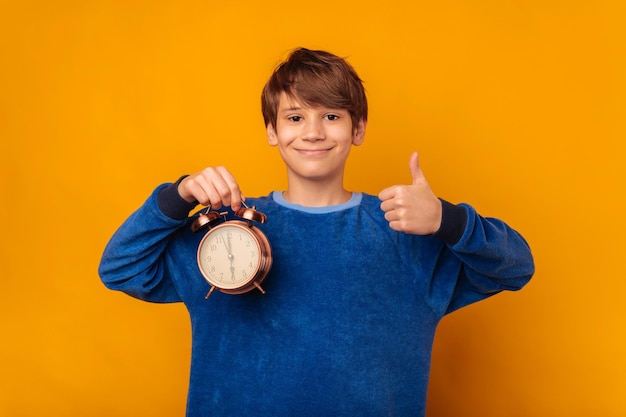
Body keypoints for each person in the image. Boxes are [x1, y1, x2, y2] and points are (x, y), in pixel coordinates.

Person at [99, 47, 534, 417]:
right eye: (294, 117)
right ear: (272, 131)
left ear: (357, 129)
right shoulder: (225, 232)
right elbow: (119, 269)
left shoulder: (405, 230)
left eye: (331, 115)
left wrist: (447, 219)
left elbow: (516, 267)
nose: (312, 132)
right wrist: (176, 197)